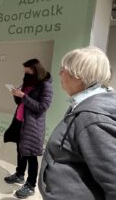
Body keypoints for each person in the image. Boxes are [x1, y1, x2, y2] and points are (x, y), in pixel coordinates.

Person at [38, 47, 116, 200]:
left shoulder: (92, 118)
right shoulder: (85, 105)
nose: (59, 74)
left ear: (78, 75)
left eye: (63, 69)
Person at [3, 58, 53, 199]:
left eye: (27, 70)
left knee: (30, 155)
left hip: (33, 126)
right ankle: (19, 175)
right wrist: (16, 96)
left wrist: (24, 96)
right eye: (24, 71)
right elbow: (21, 102)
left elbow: (42, 107)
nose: (25, 73)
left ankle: (30, 185)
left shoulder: (45, 85)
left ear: (35, 69)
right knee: (20, 150)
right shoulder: (27, 81)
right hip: (20, 121)